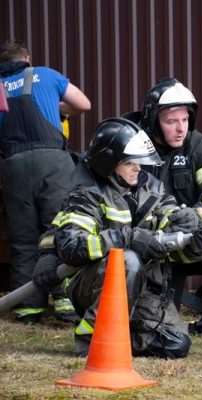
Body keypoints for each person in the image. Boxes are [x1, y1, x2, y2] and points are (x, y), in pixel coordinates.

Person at [32, 117, 202, 358]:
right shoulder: (87, 195)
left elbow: (168, 229)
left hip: (142, 286)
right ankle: (92, 339)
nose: (138, 168)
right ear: (109, 162)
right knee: (127, 260)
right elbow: (73, 247)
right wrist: (127, 238)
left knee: (177, 343)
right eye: (130, 162)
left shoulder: (151, 189)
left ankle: (120, 338)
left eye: (140, 161)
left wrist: (194, 240)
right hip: (92, 283)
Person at [123, 77, 202, 362]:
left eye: (185, 120)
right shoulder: (131, 144)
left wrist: (201, 217)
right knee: (169, 335)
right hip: (149, 249)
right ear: (153, 120)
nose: (181, 129)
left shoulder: (197, 145)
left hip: (188, 242)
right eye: (171, 121)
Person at [0, 39, 91, 324]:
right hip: (53, 163)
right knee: (61, 230)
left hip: (13, 166)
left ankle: (28, 305)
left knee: (23, 237)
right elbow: (83, 104)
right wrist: (59, 107)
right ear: (27, 58)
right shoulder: (45, 74)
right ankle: (66, 303)